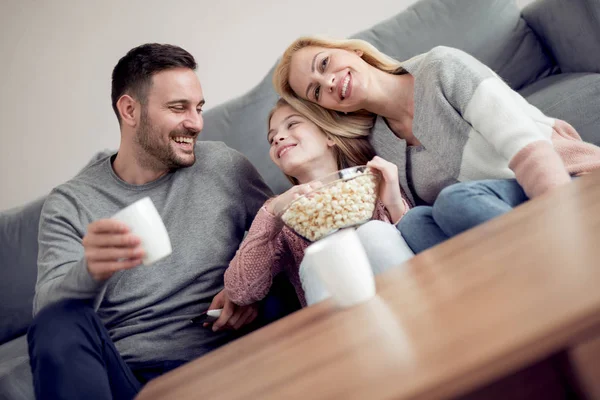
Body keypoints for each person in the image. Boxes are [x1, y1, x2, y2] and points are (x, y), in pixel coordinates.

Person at [28, 43, 274, 399]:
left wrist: (253, 289)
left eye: (198, 107)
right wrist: (91, 271)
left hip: (227, 358)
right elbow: (48, 315)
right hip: (131, 381)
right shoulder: (71, 203)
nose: (196, 122)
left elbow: (283, 235)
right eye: (178, 108)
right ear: (130, 110)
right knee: (57, 323)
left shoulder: (224, 165)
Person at [272, 36, 600, 253]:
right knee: (414, 222)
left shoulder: (441, 67)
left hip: (569, 188)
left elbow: (528, 148)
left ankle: (551, 267)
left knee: (453, 201)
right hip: (499, 227)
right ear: (330, 109)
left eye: (324, 63)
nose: (328, 81)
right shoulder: (380, 145)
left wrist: (568, 224)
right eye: (316, 91)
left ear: (352, 50)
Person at [223, 98, 414, 308]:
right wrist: (272, 210)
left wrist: (394, 204)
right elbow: (240, 291)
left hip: (402, 294)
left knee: (374, 232)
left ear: (329, 135)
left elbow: (415, 243)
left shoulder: (374, 183)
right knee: (315, 261)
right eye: (271, 138)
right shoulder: (284, 220)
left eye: (292, 124)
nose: (277, 138)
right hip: (340, 323)